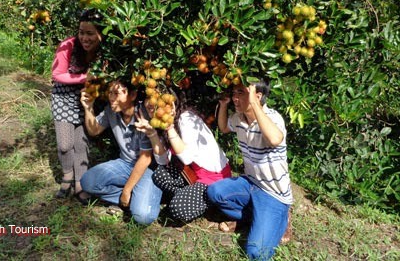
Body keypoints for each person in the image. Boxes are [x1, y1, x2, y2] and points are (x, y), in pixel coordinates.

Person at [206, 79, 293, 260]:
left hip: (274, 193)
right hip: (251, 183)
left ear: (257, 96)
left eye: (241, 93)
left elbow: (276, 139)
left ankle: (281, 218)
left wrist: (254, 104)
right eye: (234, 94)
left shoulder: (273, 118)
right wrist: (223, 105)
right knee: (215, 192)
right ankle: (255, 217)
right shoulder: (238, 119)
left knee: (256, 253)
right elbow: (223, 128)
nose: (235, 98)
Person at [135, 91, 231, 223]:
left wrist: (170, 128)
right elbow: (162, 160)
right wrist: (152, 134)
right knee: (159, 175)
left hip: (212, 178)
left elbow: (186, 158)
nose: (151, 109)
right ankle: (192, 197)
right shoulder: (161, 123)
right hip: (191, 174)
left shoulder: (186, 119)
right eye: (149, 107)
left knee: (177, 209)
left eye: (154, 105)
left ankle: (210, 202)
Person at [79, 80, 163, 225]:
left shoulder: (143, 115)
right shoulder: (111, 111)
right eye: (110, 93)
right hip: (124, 164)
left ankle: (140, 198)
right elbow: (94, 130)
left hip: (147, 170)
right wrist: (88, 108)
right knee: (87, 182)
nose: (112, 97)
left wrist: (127, 190)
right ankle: (134, 200)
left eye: (117, 93)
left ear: (132, 95)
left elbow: (145, 159)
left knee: (143, 218)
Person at [51, 9, 103, 203]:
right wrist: (84, 77)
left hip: (86, 99)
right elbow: (57, 74)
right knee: (65, 145)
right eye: (82, 32)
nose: (84, 37)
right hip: (63, 97)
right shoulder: (68, 46)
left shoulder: (104, 51)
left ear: (100, 34)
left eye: (90, 33)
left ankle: (81, 183)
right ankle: (67, 177)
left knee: (81, 144)